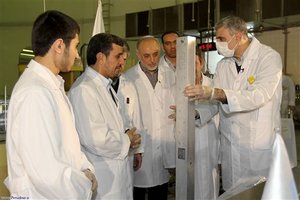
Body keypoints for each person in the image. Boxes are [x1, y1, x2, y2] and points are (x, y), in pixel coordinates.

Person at [4, 10, 97, 199]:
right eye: (76, 47)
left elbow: (69, 146)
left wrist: (85, 168)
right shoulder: (34, 92)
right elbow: (44, 172)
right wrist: (84, 184)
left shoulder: (50, 86)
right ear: (59, 45)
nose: (77, 56)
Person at [184, 16, 282, 191]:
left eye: (221, 39)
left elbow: (259, 95)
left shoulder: (268, 58)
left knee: (259, 193)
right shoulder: (224, 65)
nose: (217, 43)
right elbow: (216, 102)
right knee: (233, 193)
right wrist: (195, 113)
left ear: (238, 36)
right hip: (230, 147)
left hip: (257, 145)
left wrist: (217, 93)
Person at [68, 33, 141, 199]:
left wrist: (128, 135)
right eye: (118, 56)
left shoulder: (104, 85)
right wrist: (127, 140)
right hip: (104, 179)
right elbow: (96, 138)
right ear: (101, 57)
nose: (122, 62)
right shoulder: (84, 90)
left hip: (117, 174)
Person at [124, 36, 175, 200]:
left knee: (161, 191)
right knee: (137, 191)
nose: (152, 60)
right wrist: (135, 149)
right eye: (147, 56)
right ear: (138, 55)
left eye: (155, 54)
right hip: (141, 146)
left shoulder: (171, 75)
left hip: (165, 144)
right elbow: (126, 117)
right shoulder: (127, 79)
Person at [111, 40, 144, 181]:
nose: (121, 64)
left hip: (128, 149)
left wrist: (138, 151)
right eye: (118, 58)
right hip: (108, 152)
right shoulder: (90, 88)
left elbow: (135, 119)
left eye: (124, 59)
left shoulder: (128, 85)